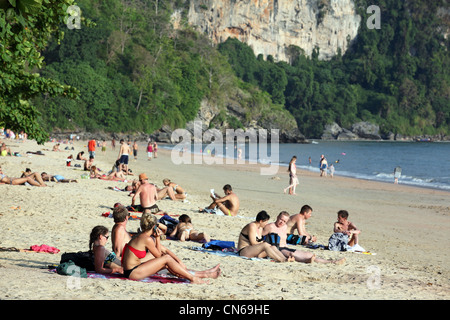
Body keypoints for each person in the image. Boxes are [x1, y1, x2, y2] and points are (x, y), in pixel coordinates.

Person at [121, 212, 220, 283]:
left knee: (168, 264)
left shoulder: (141, 236)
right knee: (167, 259)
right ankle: (194, 278)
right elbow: (159, 256)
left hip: (131, 270)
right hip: (132, 272)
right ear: (154, 226)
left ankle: (204, 274)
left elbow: (159, 254)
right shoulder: (147, 239)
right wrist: (158, 237)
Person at [263, 211, 346, 264]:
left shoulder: (284, 227)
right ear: (277, 217)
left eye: (284, 221)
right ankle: (306, 260)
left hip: (285, 247)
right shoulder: (270, 227)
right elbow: (260, 239)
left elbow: (284, 239)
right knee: (292, 254)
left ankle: (332, 262)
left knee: (309, 254)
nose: (282, 222)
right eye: (281, 219)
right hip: (277, 249)